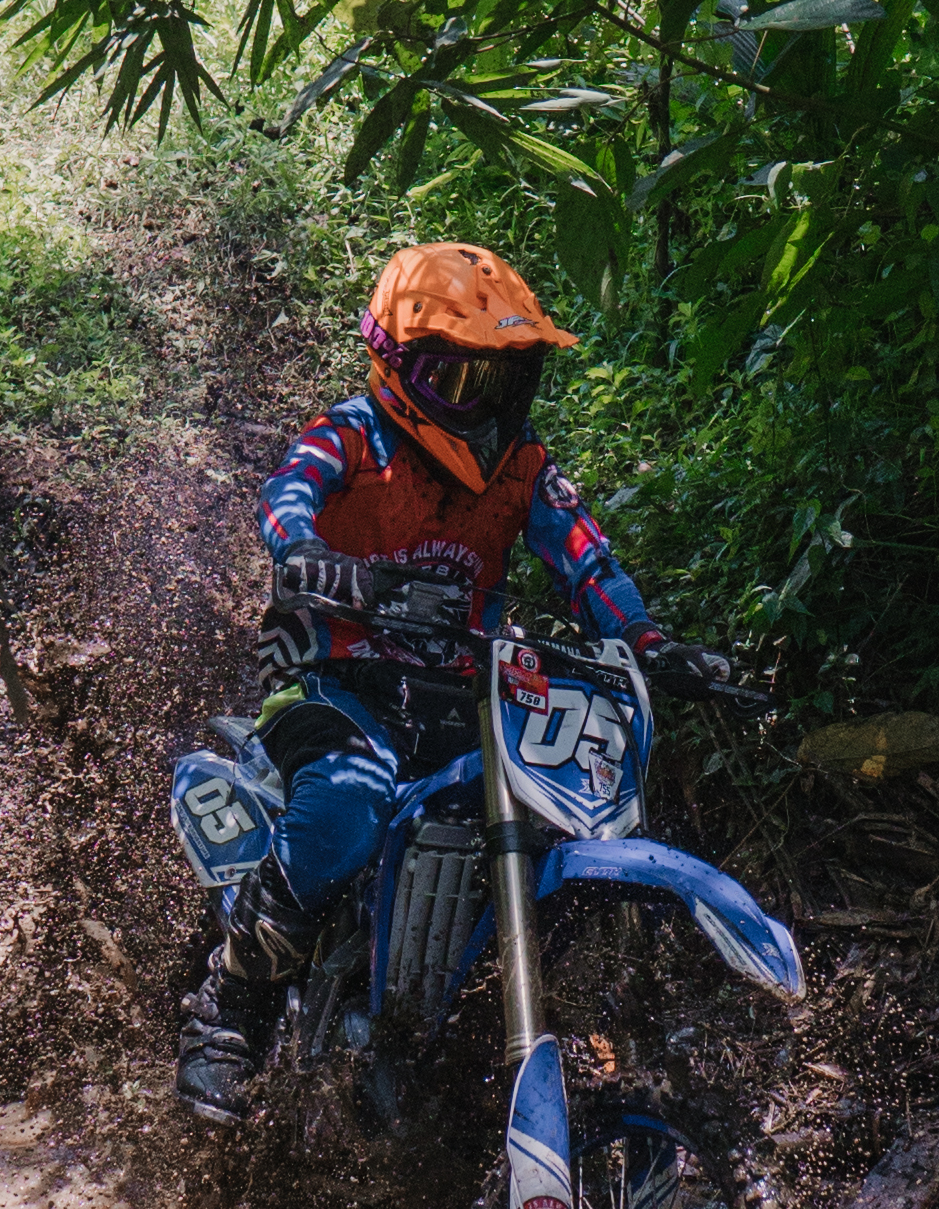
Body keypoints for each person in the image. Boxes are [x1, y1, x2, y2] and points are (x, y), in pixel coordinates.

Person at [176, 241, 728, 1125]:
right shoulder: (352, 434)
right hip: (336, 689)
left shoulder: (523, 467)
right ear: (398, 367)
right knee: (345, 809)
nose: (485, 405)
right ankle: (228, 1007)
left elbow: (587, 561)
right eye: (460, 380)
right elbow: (286, 495)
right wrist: (318, 559)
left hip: (470, 707)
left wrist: (650, 642)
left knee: (552, 816)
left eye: (502, 381)